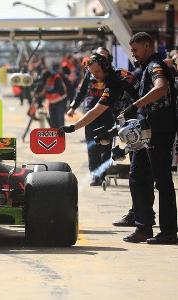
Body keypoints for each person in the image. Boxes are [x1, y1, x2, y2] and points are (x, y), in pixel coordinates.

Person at [121, 32, 177, 244]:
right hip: (147, 133)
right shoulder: (148, 67)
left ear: (146, 46)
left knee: (161, 180)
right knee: (138, 177)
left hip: (158, 131)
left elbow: (161, 88)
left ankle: (169, 232)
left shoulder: (155, 66)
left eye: (135, 50)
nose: (134, 55)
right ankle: (143, 228)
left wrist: (135, 106)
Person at [67, 47, 115, 186]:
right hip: (90, 113)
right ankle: (94, 175)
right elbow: (81, 91)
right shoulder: (89, 73)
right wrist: (73, 107)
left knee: (106, 145)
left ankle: (102, 174)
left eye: (103, 58)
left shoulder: (114, 75)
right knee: (92, 146)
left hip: (108, 113)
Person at [43, 64, 67, 128]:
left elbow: (59, 90)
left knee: (59, 121)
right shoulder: (46, 80)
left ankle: (61, 136)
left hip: (60, 102)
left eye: (47, 79)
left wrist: (47, 91)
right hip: (51, 102)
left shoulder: (57, 78)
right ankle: (54, 135)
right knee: (52, 121)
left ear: (49, 77)